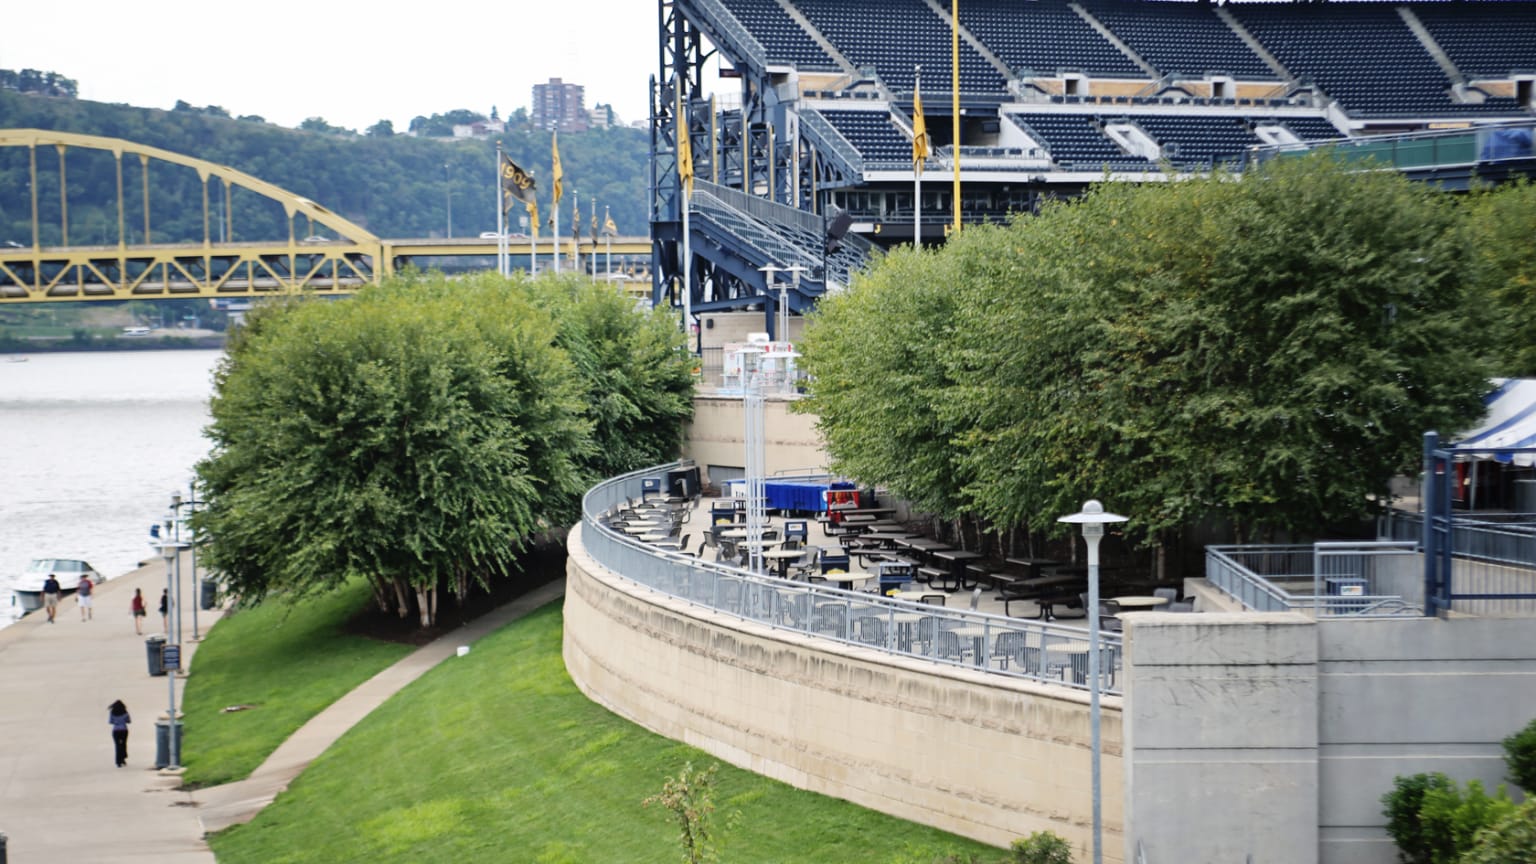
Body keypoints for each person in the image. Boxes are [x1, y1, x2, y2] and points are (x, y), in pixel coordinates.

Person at [108, 699, 131, 767]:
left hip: (116, 730)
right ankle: (123, 757)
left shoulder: (112, 712)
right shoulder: (125, 712)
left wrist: (116, 721)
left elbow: (110, 722)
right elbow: (129, 721)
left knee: (117, 745)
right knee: (123, 744)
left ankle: (118, 761)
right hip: (124, 730)